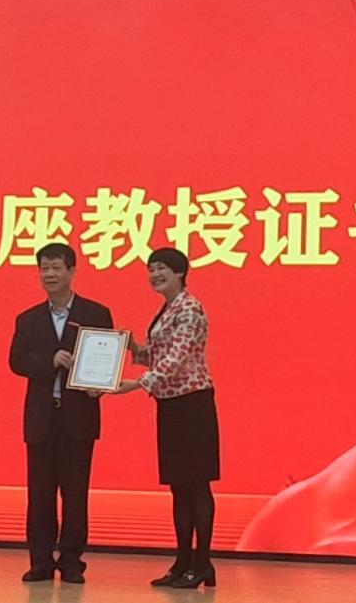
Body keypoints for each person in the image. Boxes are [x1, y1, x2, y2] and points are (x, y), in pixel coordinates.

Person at [104, 247, 220, 589]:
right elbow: (158, 357)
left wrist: (136, 384)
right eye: (151, 269)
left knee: (197, 484)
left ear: (180, 272)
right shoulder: (168, 308)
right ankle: (182, 562)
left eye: (161, 268)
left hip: (193, 404)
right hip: (170, 405)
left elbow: (177, 358)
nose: (154, 275)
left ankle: (202, 563)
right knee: (178, 487)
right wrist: (133, 348)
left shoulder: (190, 308)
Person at [9, 243, 113, 585]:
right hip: (41, 419)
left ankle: (71, 562)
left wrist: (101, 383)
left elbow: (105, 358)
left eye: (56, 268)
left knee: (75, 495)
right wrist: (50, 360)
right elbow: (17, 361)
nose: (50, 274)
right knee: (39, 496)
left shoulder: (96, 313)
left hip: (78, 418)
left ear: (72, 271)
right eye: (44, 268)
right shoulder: (27, 318)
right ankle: (40, 562)